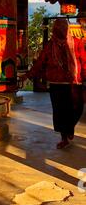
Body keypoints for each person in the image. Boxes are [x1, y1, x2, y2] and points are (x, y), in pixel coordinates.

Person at [22, 19, 86, 149]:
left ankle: (69, 128)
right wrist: (28, 75)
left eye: (63, 28)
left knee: (78, 108)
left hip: (74, 82)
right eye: (58, 28)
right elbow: (40, 63)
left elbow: (84, 61)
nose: (61, 30)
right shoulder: (50, 45)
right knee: (60, 112)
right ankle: (64, 138)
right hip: (56, 84)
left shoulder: (77, 43)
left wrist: (84, 76)